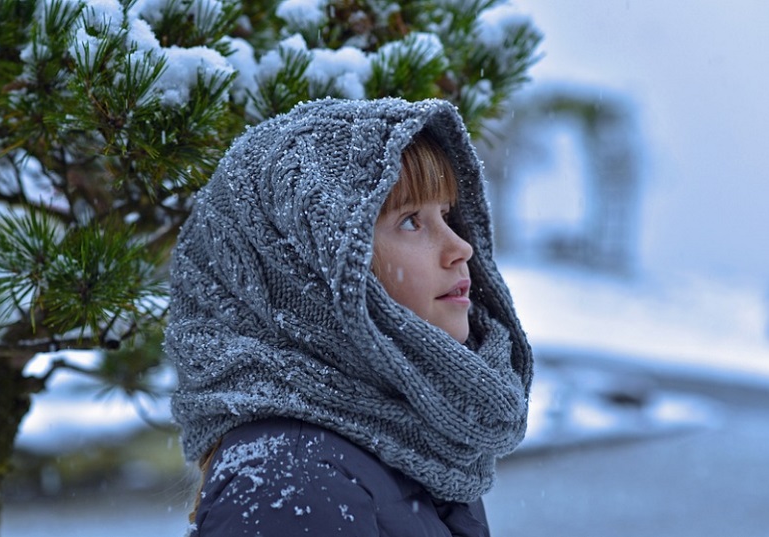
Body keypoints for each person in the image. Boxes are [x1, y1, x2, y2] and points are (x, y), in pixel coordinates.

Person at [164, 97, 533, 536]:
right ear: (310, 274)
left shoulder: (414, 436)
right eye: (411, 220)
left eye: (447, 215)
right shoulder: (293, 479)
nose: (461, 248)